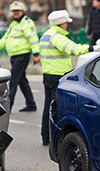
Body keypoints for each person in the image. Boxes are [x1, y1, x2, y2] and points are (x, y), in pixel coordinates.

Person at [39, 10, 94, 145]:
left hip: (48, 74)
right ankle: (54, 138)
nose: (67, 26)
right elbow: (74, 49)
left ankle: (45, 137)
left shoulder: (46, 35)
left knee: (48, 107)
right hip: (58, 75)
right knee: (57, 109)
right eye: (66, 23)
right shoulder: (57, 37)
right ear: (61, 24)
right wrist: (91, 48)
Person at [0, 1, 39, 112]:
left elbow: (33, 38)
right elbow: (6, 38)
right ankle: (31, 104)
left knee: (14, 80)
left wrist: (36, 54)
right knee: (22, 80)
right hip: (14, 56)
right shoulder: (13, 23)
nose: (15, 13)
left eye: (18, 11)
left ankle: (8, 107)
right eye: (14, 11)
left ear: (23, 11)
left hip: (22, 55)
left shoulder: (27, 23)